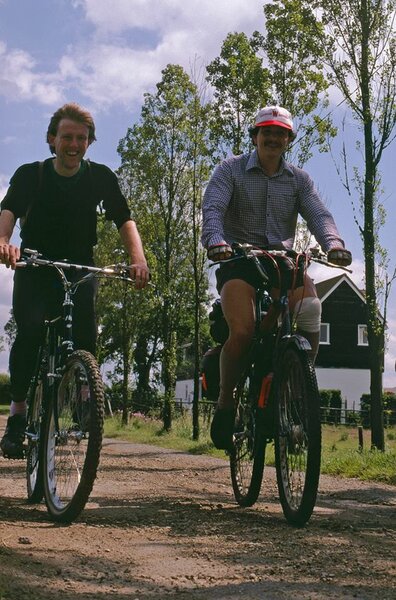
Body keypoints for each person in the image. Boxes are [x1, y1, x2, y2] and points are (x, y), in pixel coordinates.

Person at [0, 102, 150, 459]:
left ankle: (86, 394)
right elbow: (7, 212)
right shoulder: (30, 174)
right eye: (67, 137)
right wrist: (5, 243)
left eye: (81, 138)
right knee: (32, 329)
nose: (74, 144)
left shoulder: (100, 177)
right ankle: (18, 412)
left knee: (85, 329)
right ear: (52, 140)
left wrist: (138, 259)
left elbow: (124, 219)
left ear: (89, 143)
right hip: (36, 265)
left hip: (81, 266)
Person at [201, 105, 352, 450]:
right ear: (255, 136)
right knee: (243, 330)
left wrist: (334, 244)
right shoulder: (230, 170)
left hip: (281, 260)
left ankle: (297, 386)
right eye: (266, 131)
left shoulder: (299, 180)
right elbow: (213, 209)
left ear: (288, 140)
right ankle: (226, 403)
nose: (273, 137)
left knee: (311, 308)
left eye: (280, 133)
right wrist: (216, 240)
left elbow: (318, 213)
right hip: (238, 258)